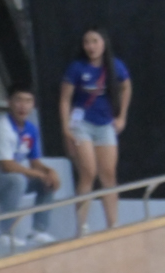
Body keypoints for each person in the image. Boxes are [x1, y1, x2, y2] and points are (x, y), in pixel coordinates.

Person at [0, 86, 57, 248]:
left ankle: (39, 230)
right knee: (17, 180)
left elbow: (34, 162)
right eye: (18, 100)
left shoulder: (31, 129)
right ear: (9, 102)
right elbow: (6, 165)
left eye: (28, 101)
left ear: (33, 104)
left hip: (4, 179)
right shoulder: (1, 127)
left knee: (46, 181)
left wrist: (50, 172)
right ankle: (5, 233)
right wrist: (38, 174)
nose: (23, 106)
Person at [59, 28, 128, 233]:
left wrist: (122, 116)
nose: (91, 46)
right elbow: (64, 99)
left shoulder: (115, 65)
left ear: (103, 43)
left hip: (105, 123)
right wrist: (65, 128)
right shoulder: (76, 67)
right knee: (88, 172)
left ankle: (113, 223)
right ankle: (81, 225)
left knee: (108, 174)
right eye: (87, 42)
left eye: (95, 41)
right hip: (81, 124)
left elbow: (126, 87)